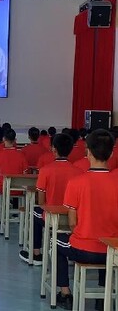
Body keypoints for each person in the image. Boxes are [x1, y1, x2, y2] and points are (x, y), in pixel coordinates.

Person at [56, 129, 118, 310]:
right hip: (112, 250)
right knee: (106, 246)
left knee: (56, 243)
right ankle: (102, 298)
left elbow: (73, 223)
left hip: (83, 248)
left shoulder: (76, 182)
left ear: (87, 151)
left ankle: (65, 293)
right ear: (112, 153)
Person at [19, 133, 83, 266]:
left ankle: (36, 253)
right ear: (70, 149)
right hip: (74, 219)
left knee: (34, 212)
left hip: (51, 217)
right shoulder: (79, 172)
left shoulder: (45, 170)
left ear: (54, 149)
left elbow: (41, 202)